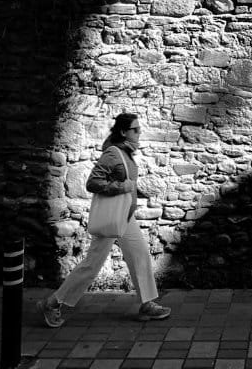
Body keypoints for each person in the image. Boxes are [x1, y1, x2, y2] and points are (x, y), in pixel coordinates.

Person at [39, 112, 171, 327]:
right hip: (112, 219)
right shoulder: (113, 153)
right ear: (123, 131)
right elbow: (92, 183)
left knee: (140, 256)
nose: (139, 133)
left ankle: (147, 304)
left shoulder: (127, 153)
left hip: (125, 218)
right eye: (135, 129)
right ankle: (52, 303)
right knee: (92, 265)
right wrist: (121, 187)